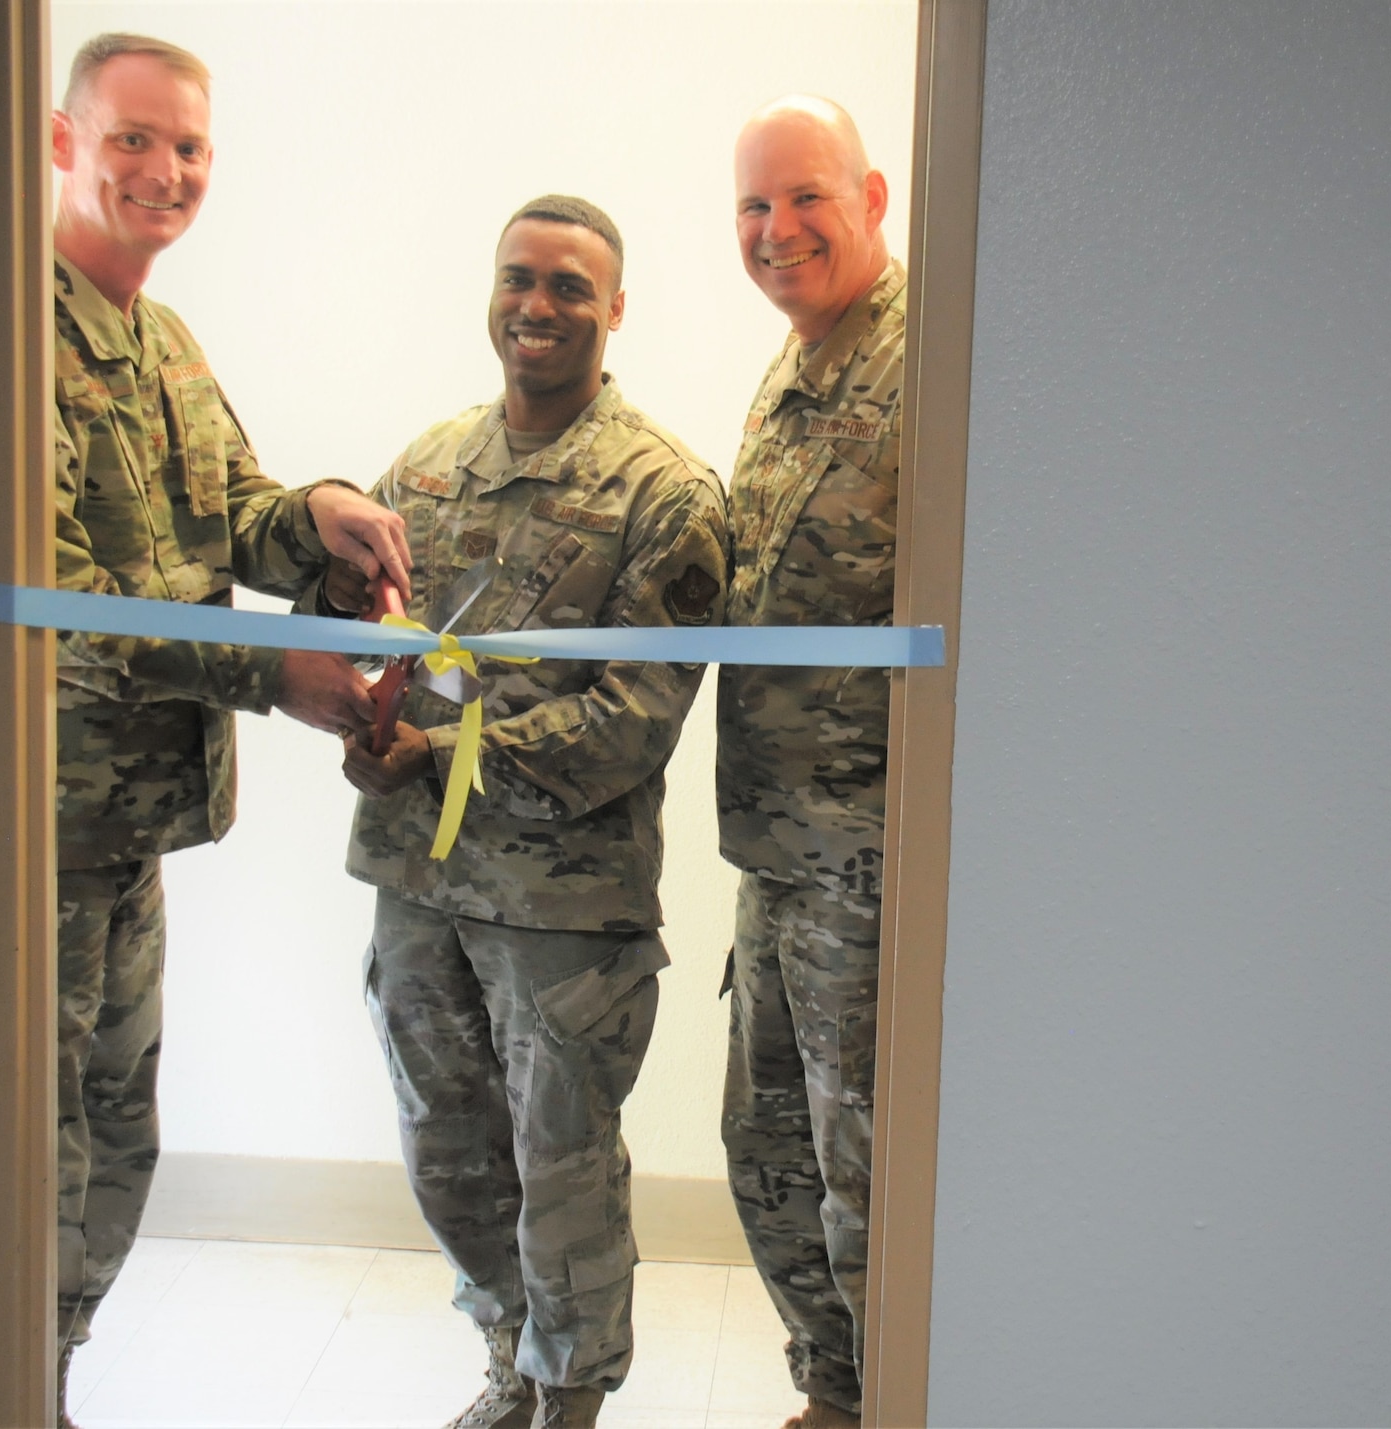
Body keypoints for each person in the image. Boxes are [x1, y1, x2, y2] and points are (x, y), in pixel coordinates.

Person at [48, 32, 410, 1426]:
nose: (165, 171)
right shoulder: (21, 327)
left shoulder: (160, 338)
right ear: (65, 138)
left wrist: (315, 516)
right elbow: (70, 598)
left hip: (126, 834)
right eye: (135, 138)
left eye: (188, 147)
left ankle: (47, 1375)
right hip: (43, 827)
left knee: (113, 1142)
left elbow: (232, 510)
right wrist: (280, 674)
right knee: (41, 1152)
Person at [329, 196, 728, 1429]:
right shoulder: (429, 466)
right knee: (447, 1155)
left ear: (614, 309)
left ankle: (568, 1398)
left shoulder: (667, 494)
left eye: (568, 286)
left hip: (563, 908)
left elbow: (632, 717)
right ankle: (508, 1360)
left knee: (561, 1172)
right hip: (420, 886)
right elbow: (360, 633)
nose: (536, 307)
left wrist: (441, 746)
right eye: (518, 279)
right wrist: (351, 707)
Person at [715, 96, 905, 1429]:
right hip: (772, 853)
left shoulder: (935, 369)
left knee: (866, 1168)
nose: (778, 233)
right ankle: (828, 1398)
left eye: (806, 200)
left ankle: (895, 1399)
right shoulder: (786, 377)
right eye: (753, 208)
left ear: (876, 197)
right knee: (768, 1149)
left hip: (870, 862)